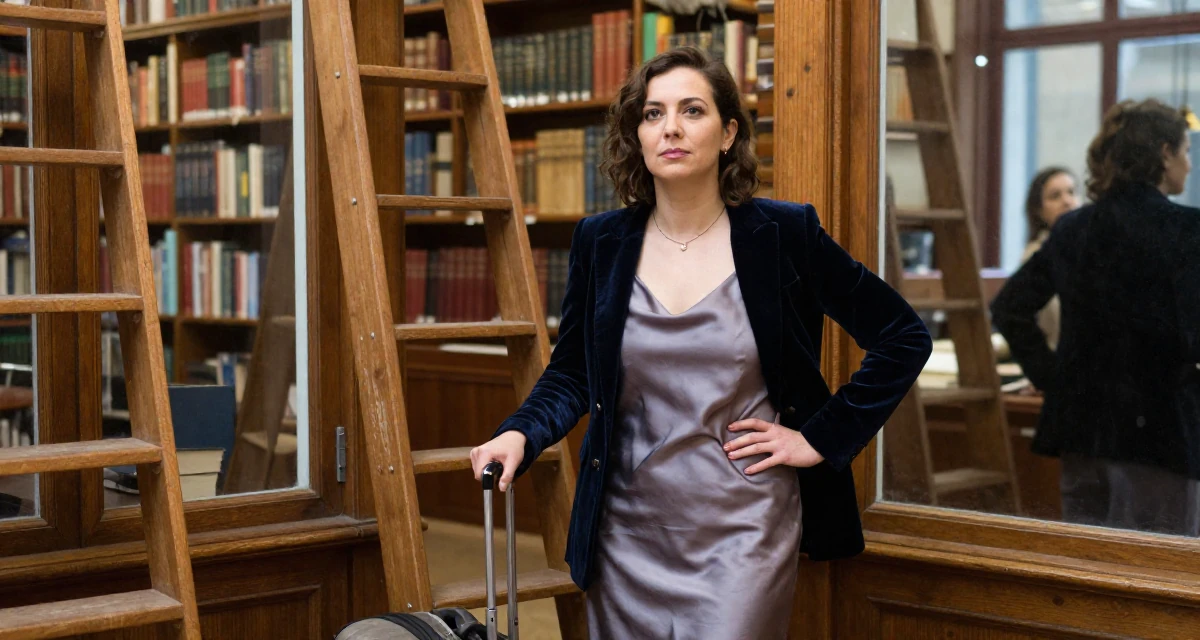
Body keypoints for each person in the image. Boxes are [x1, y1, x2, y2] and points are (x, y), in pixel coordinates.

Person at [468, 47, 932, 638]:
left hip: (745, 525)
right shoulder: (601, 241)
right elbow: (573, 373)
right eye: (653, 114)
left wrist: (821, 437)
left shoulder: (785, 234)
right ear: (636, 135)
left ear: (729, 131)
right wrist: (518, 432)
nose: (672, 129)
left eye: (692, 110)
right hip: (625, 527)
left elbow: (902, 336)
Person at [991, 98, 1200, 536]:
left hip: (1082, 430)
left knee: (1086, 572)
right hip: (1159, 433)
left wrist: (1053, 377)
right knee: (1157, 580)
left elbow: (1010, 307)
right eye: (1185, 149)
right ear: (1163, 153)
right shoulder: (1187, 229)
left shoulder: (1073, 228)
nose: (1188, 161)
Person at [1019, 167, 1081, 352]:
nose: (1067, 201)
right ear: (1039, 211)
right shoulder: (1036, 255)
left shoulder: (1089, 249)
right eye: (1055, 196)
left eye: (1071, 192)